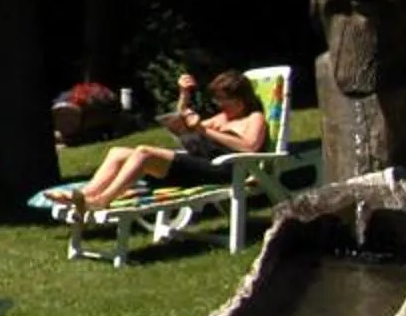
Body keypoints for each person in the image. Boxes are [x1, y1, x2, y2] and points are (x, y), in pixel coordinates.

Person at [61, 69, 268, 213]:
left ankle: (103, 200)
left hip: (224, 171)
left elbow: (250, 146)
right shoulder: (222, 118)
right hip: (199, 164)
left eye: (223, 99)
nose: (219, 104)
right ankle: (84, 195)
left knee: (144, 152)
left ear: (240, 99)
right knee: (117, 152)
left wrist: (204, 129)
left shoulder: (253, 118)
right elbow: (183, 123)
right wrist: (184, 96)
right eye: (217, 99)